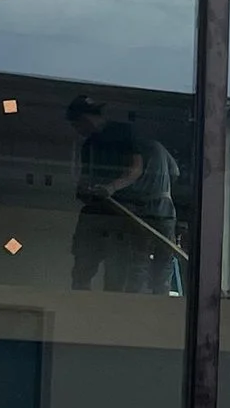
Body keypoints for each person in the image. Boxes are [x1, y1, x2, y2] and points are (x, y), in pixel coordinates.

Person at [67, 96, 184, 294]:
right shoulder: (90, 146)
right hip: (109, 211)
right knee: (96, 261)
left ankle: (141, 302)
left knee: (134, 262)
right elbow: (87, 176)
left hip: (130, 213)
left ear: (84, 119)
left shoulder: (125, 136)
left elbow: (135, 169)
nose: (78, 129)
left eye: (78, 123)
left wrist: (112, 188)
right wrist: (87, 190)